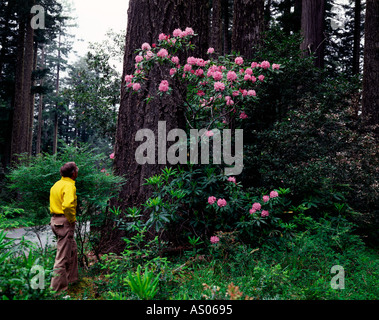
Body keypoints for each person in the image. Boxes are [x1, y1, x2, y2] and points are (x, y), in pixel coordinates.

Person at [49, 162, 79, 292]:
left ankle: (71, 280)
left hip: (55, 221)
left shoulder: (56, 184)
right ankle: (57, 291)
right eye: (77, 171)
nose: (77, 172)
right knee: (62, 257)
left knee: (72, 249)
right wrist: (72, 219)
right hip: (65, 222)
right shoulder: (69, 186)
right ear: (73, 173)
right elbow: (67, 206)